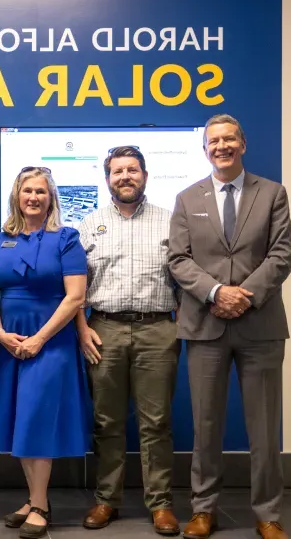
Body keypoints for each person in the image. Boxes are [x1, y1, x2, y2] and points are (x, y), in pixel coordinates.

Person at [168, 114, 291, 539]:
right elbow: (179, 260)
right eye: (214, 141)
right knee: (205, 425)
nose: (221, 146)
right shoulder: (187, 198)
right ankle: (203, 510)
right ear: (205, 150)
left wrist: (244, 295)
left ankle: (268, 513)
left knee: (263, 425)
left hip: (260, 324)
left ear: (242, 143)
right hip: (205, 325)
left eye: (229, 139)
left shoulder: (272, 193)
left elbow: (281, 255)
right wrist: (216, 292)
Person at [0, 167, 91, 539]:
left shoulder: (67, 239)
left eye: (41, 192)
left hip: (51, 339)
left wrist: (39, 339)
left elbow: (75, 296)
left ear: (51, 198)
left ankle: (40, 505)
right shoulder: (0, 240)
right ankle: (33, 497)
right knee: (18, 419)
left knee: (37, 418)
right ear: (17, 195)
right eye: (27, 190)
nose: (33, 197)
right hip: (9, 341)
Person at [75, 146, 181, 536]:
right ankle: (106, 500)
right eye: (117, 171)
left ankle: (161, 504)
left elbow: (184, 279)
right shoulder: (89, 224)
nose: (125, 177)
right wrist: (83, 329)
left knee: (157, 422)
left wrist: (180, 325)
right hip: (104, 330)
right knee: (107, 421)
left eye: (132, 170)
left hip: (158, 329)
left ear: (145, 176)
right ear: (107, 180)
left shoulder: (171, 222)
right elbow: (75, 287)